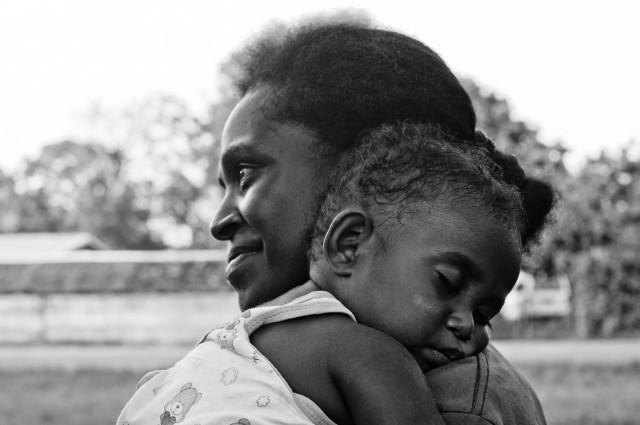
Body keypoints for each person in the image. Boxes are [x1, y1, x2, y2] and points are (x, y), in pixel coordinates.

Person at [209, 20, 553, 424]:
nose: (218, 222)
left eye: (245, 174)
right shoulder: (258, 355)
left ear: (364, 164)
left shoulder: (455, 402)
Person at [117, 122, 534, 425]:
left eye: (485, 314)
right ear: (349, 244)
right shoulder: (372, 356)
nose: (467, 326)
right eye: (447, 283)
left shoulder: (240, 337)